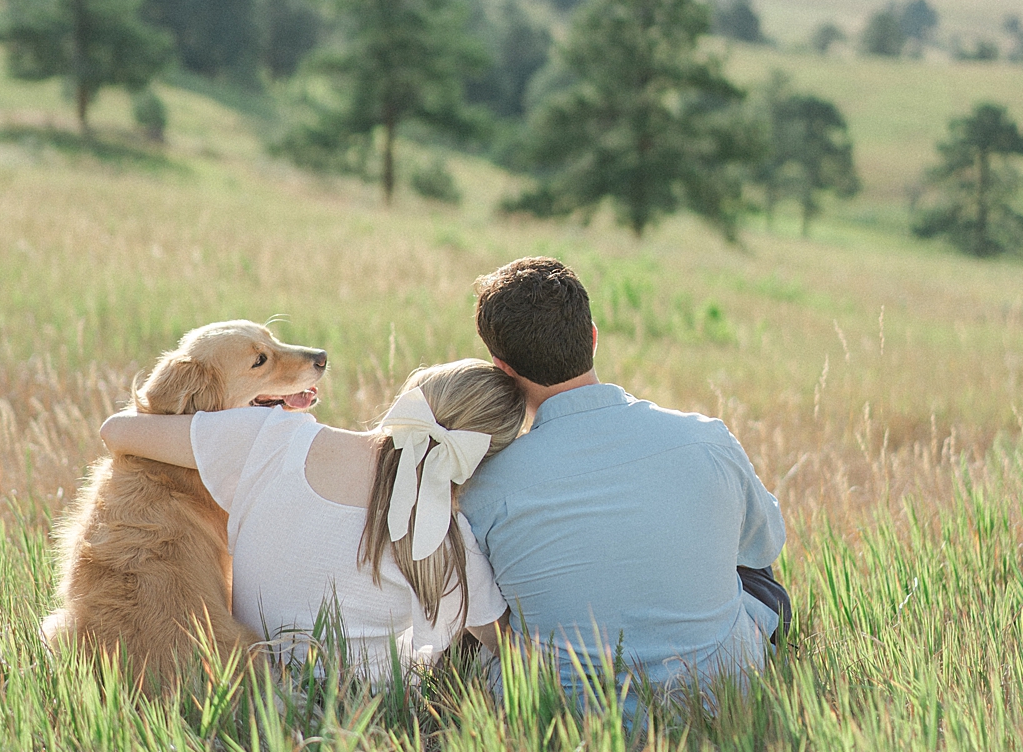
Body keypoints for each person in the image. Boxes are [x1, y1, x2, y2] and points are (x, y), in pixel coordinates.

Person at [460, 257, 789, 703]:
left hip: (560, 708)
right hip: (717, 694)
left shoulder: (484, 485)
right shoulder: (706, 439)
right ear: (593, 339)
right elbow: (764, 544)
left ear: (501, 368)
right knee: (756, 570)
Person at [100, 359, 524, 682]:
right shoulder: (448, 541)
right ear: (477, 460)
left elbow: (116, 431)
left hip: (253, 689)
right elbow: (507, 650)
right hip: (367, 719)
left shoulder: (272, 437)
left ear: (414, 394)